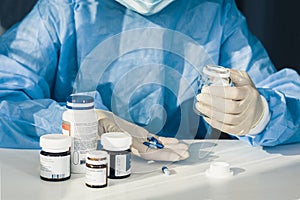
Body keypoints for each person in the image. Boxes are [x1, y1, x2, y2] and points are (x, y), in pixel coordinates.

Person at [0, 0, 299, 161]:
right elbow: (4, 100)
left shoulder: (214, 12)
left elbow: (288, 97)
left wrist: (260, 113)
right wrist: (82, 123)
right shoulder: (64, 10)